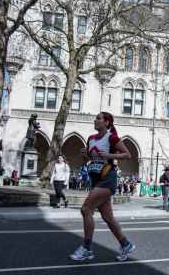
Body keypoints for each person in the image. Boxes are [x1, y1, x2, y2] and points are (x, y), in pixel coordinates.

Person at [70, 112, 135, 262]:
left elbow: (127, 155)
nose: (95, 120)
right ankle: (125, 244)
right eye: (96, 118)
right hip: (95, 179)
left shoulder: (111, 138)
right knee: (107, 217)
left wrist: (109, 156)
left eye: (98, 118)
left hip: (108, 179)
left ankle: (86, 248)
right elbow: (90, 159)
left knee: (86, 209)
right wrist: (84, 154)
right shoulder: (91, 139)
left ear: (106, 122)